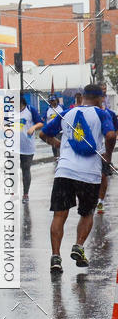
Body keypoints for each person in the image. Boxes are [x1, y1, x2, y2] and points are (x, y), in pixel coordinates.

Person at [40, 84, 115, 272]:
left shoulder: (67, 113)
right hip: (89, 174)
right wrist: (108, 155)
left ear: (83, 97)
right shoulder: (101, 114)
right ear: (99, 98)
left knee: (59, 215)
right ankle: (79, 246)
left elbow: (43, 133)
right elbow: (111, 134)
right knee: (87, 213)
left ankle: (55, 257)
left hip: (64, 171)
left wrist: (59, 145)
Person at [19, 94, 43, 202]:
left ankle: (25, 194)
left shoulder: (30, 109)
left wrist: (33, 127)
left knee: (25, 169)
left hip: (27, 146)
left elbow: (40, 123)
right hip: (12, 147)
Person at [97, 99, 118, 213]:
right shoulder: (88, 113)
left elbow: (114, 130)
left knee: (103, 176)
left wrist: (108, 153)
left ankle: (100, 202)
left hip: (103, 150)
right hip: (90, 151)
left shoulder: (109, 114)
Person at [45, 94, 64, 159]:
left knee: (59, 143)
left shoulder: (61, 107)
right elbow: (44, 118)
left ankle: (60, 157)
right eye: (50, 101)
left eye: (53, 100)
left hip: (59, 130)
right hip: (51, 130)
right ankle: (55, 156)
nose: (52, 102)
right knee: (53, 144)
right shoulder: (48, 109)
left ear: (56, 100)